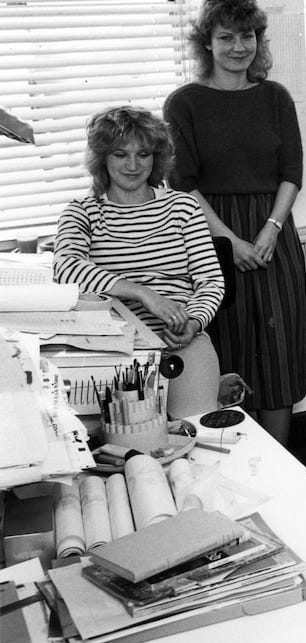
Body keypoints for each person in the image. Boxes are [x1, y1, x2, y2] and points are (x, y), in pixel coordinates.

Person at [163, 0, 306, 445]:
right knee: (228, 353)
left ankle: (285, 467)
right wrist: (230, 240)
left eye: (247, 36)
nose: (238, 47)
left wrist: (271, 228)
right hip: (211, 238)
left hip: (274, 235)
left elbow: (291, 173)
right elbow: (182, 184)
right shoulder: (183, 103)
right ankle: (229, 458)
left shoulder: (275, 97)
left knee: (280, 356)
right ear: (207, 42)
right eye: (227, 37)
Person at [54, 106, 224, 419]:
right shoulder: (82, 211)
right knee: (128, 445)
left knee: (196, 431)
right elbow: (66, 267)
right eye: (120, 154)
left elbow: (211, 281)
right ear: (102, 157)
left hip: (181, 342)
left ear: (156, 158)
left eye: (143, 154)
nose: (133, 165)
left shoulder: (183, 207)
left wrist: (195, 321)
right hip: (111, 351)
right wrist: (142, 293)